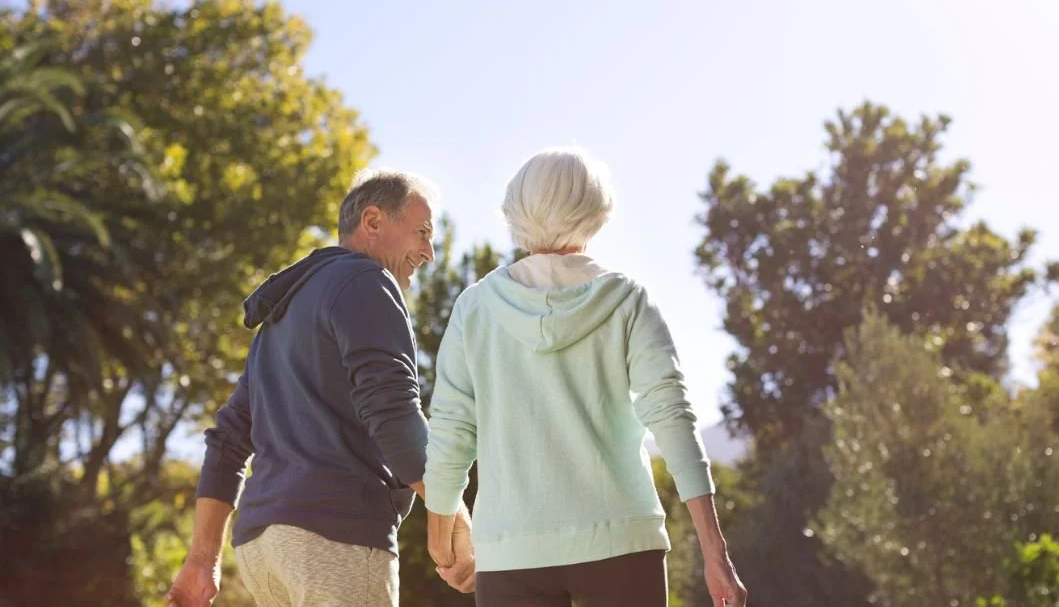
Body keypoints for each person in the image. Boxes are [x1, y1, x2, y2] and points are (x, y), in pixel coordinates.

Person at [421, 147, 748, 607]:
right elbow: (673, 420)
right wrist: (716, 554)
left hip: (512, 551)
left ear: (516, 209)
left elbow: (452, 433)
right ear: (596, 210)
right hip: (622, 543)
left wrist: (443, 540)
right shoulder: (627, 300)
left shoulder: (475, 309)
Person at [167, 169, 475, 607]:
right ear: (372, 221)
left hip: (262, 550)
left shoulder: (281, 317)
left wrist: (201, 558)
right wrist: (454, 511)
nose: (428, 251)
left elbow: (228, 439)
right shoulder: (368, 281)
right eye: (422, 232)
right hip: (335, 538)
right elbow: (391, 410)